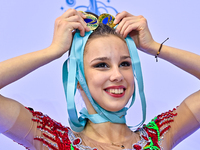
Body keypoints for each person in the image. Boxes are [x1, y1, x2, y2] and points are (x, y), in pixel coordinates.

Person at [0, 8, 199, 150]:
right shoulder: (51, 139)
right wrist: (52, 51)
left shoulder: (159, 137)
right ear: (77, 78)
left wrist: (155, 47)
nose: (117, 75)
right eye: (101, 65)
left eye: (125, 64)